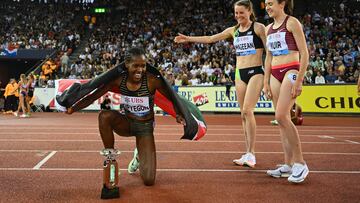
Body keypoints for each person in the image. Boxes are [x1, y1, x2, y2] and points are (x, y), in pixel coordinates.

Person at [65, 47, 186, 189]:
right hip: (127, 123)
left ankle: (138, 155)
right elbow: (93, 96)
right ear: (127, 64)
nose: (140, 70)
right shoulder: (118, 80)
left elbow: (172, 97)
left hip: (145, 128)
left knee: (148, 180)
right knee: (104, 116)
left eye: (143, 65)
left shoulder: (152, 81)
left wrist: (178, 114)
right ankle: (110, 158)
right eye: (136, 65)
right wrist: (73, 108)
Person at [175, 0, 266, 168]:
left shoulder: (259, 28)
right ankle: (247, 152)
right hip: (240, 73)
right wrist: (188, 38)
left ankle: (252, 153)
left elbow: (270, 52)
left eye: (241, 12)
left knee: (248, 110)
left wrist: (269, 78)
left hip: (256, 71)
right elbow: (210, 39)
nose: (238, 16)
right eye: (236, 13)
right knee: (243, 115)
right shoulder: (234, 31)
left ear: (249, 12)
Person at [263, 0, 309, 183]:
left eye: (271, 3)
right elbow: (268, 57)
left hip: (291, 70)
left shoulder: (291, 22)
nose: (267, 7)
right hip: (274, 73)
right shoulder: (268, 29)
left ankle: (301, 163)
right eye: (266, 4)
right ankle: (288, 164)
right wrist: (266, 82)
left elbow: (305, 53)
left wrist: (299, 80)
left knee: (282, 116)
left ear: (282, 4)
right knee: (281, 121)